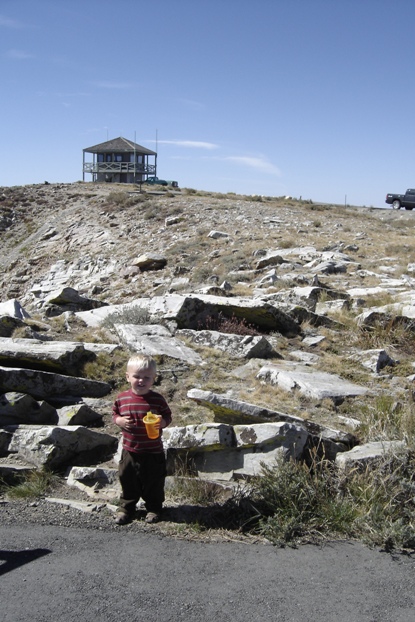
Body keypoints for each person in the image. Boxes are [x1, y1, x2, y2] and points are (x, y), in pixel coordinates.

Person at [112, 354, 172, 525]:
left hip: (153, 450)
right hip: (130, 449)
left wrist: (163, 422)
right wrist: (119, 421)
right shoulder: (122, 398)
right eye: (137, 376)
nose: (141, 380)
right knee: (127, 478)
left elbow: (168, 415)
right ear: (128, 376)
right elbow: (114, 413)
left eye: (146, 377)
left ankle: (154, 508)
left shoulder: (157, 399)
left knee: (153, 481)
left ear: (154, 379)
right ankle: (126, 508)